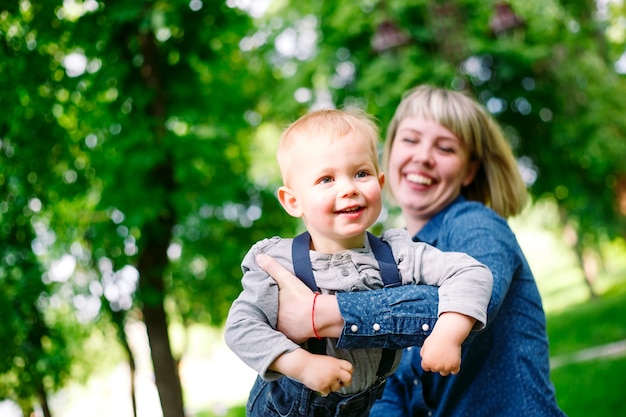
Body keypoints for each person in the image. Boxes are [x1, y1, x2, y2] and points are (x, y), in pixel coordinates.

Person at [256, 85, 567, 416]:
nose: (422, 157)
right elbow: (392, 384)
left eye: (445, 148)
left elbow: (475, 297)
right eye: (410, 140)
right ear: (387, 155)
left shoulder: (475, 223)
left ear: (469, 170)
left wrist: (322, 314)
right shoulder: (385, 257)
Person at [224, 108, 493, 417]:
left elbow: (471, 272)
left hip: (359, 407)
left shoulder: (399, 253)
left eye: (361, 173)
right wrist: (300, 364)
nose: (349, 188)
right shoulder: (279, 264)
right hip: (285, 409)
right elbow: (241, 327)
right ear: (293, 201)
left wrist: (449, 333)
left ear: (379, 182)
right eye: (326, 179)